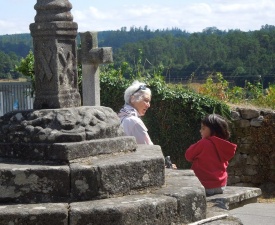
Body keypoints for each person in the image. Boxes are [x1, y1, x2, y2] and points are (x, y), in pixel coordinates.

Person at [118, 80, 177, 169]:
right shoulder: (134, 121)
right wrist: (164, 166)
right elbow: (150, 151)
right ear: (133, 98)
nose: (149, 105)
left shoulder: (121, 116)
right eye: (146, 100)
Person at [185, 114, 237, 196]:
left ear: (213, 130)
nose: (200, 131)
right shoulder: (223, 145)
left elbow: (188, 156)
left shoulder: (204, 143)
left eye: (203, 128)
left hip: (204, 185)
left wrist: (194, 146)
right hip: (221, 185)